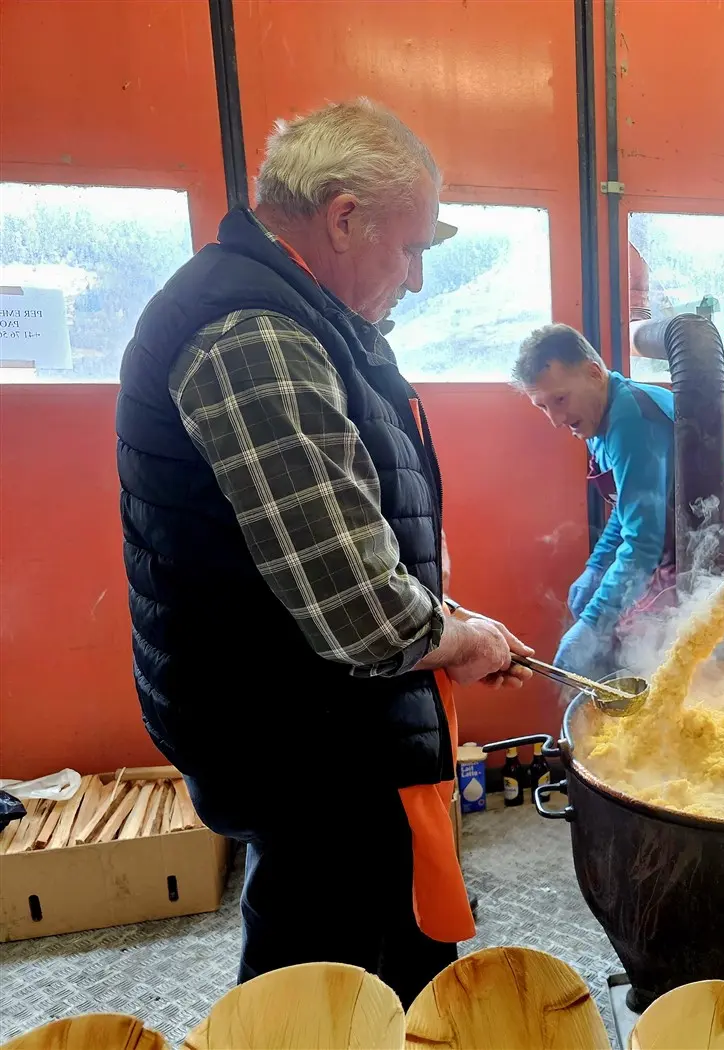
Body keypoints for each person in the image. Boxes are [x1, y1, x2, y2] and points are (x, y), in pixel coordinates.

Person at [115, 99, 535, 1006]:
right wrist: (457, 642)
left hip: (319, 715)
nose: (418, 279)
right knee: (329, 970)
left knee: (363, 941)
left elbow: (354, 537)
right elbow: (357, 610)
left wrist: (451, 619)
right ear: (344, 217)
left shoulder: (301, 316)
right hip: (296, 731)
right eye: (412, 247)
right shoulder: (253, 333)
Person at [511, 324, 724, 679]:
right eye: (542, 406)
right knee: (629, 642)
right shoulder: (594, 417)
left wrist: (592, 623)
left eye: (560, 399)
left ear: (593, 373)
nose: (555, 419)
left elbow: (643, 542)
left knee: (669, 661)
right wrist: (596, 568)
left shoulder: (630, 420)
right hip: (681, 550)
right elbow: (629, 508)